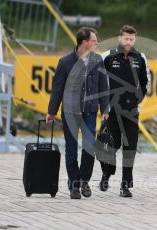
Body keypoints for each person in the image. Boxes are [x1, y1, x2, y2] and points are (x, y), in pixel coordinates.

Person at [46, 27, 109, 199]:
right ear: (84, 42)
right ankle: (74, 184)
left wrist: (105, 110)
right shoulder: (65, 62)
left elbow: (103, 86)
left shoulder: (98, 60)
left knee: (89, 147)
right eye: (94, 40)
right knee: (71, 149)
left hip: (90, 111)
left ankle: (84, 181)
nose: (96, 43)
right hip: (70, 112)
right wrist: (51, 112)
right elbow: (57, 89)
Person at [99, 25, 150, 197]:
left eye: (132, 39)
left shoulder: (140, 58)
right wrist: (103, 105)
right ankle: (106, 173)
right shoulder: (107, 56)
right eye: (126, 38)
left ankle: (125, 185)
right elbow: (99, 81)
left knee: (130, 148)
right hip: (111, 110)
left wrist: (138, 99)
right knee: (109, 146)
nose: (128, 42)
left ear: (135, 39)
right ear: (120, 38)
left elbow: (145, 82)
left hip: (131, 111)